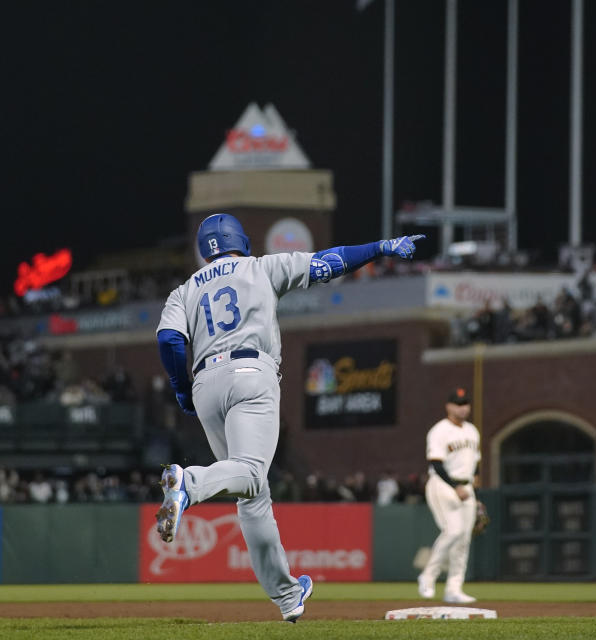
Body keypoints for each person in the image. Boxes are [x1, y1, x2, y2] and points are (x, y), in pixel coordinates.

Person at [154, 213, 424, 622]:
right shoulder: (261, 267)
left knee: (252, 494)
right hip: (250, 372)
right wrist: (380, 248)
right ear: (239, 241)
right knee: (249, 471)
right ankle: (188, 483)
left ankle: (286, 595)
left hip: (206, 382)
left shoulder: (183, 291)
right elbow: (328, 262)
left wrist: (180, 385)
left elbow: (169, 340)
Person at [417, 387, 481, 604]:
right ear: (449, 406)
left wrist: (475, 490)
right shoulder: (439, 430)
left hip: (467, 486)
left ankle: (454, 589)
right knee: (453, 531)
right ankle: (428, 575)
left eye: (465, 403)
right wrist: (456, 486)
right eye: (458, 403)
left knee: (463, 540)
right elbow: (436, 463)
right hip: (443, 484)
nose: (463, 408)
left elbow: (476, 462)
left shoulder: (472, 431)